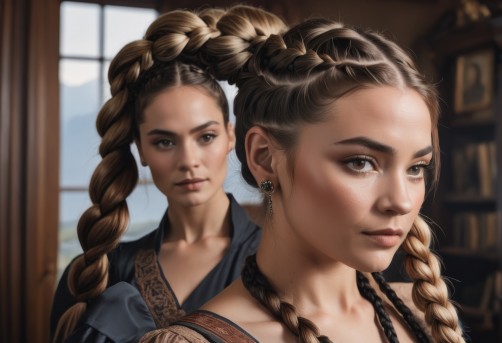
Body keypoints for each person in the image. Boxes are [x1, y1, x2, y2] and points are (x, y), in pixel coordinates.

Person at [131, 5, 466, 342]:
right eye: (361, 162)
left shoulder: (420, 313)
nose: (401, 201)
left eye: (415, 168)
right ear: (264, 157)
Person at [49, 8, 283, 342]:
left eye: (206, 137)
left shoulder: (278, 259)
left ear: (231, 137)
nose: (188, 160)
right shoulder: (103, 272)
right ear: (140, 150)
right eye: (164, 141)